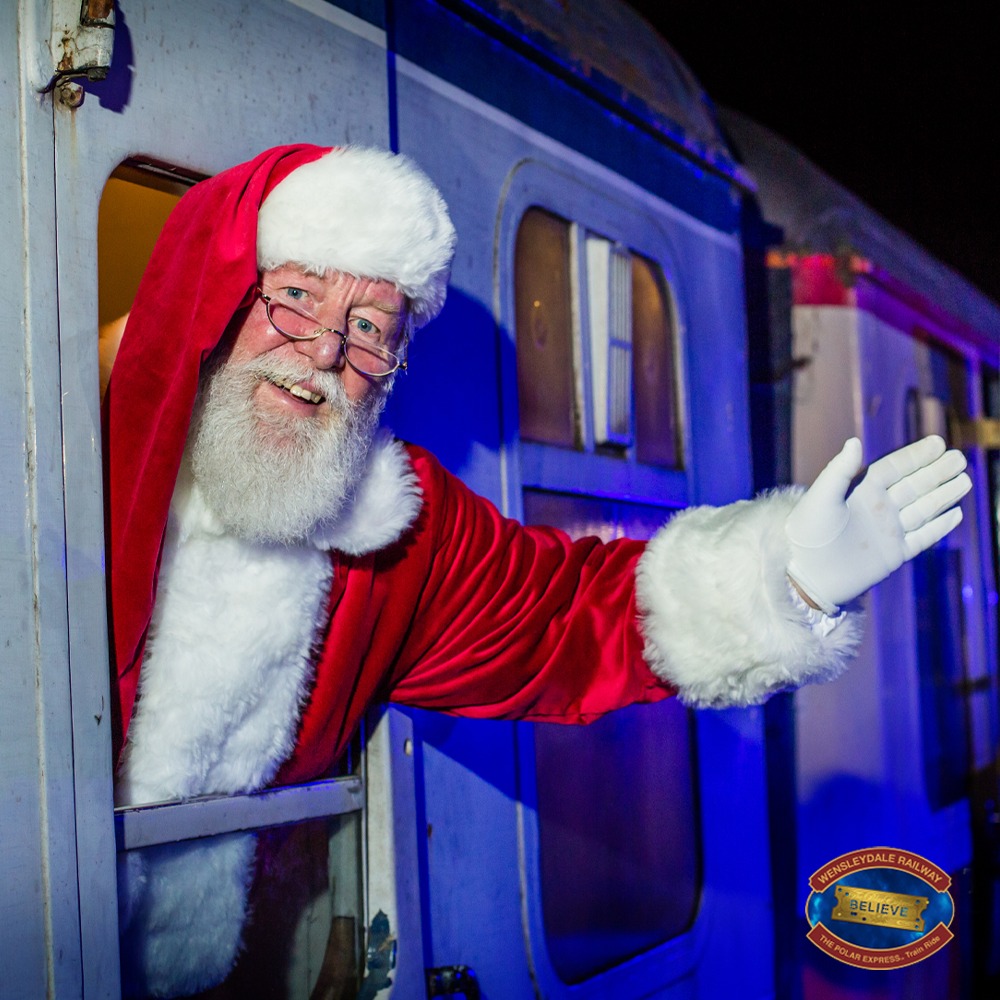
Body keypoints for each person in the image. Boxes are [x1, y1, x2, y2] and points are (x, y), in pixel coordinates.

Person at [104, 144, 970, 997]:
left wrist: (786, 577)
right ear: (223, 293)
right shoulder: (61, 439)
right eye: (295, 295)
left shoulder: (393, 536)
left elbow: (568, 613)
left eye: (370, 328)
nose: (326, 352)